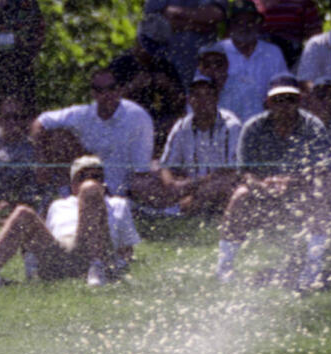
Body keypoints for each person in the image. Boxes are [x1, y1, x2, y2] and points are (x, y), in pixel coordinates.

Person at [214, 73, 329, 284]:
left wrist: (289, 182)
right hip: (261, 191)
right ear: (268, 102)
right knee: (239, 196)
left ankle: (313, 268)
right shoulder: (253, 127)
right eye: (278, 100)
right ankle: (224, 268)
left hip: (301, 191)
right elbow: (244, 173)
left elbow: (318, 171)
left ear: (300, 101)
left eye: (290, 99)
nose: (284, 105)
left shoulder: (313, 126)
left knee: (318, 197)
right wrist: (262, 185)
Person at [0, 155, 141, 290]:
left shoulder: (117, 204)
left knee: (89, 192)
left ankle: (96, 268)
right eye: (83, 177)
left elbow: (126, 250)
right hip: (62, 252)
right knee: (22, 213)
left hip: (99, 248)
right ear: (72, 184)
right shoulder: (58, 205)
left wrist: (117, 265)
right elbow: (42, 241)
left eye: (96, 176)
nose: (90, 180)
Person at [33, 67, 159, 203]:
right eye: (100, 90)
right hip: (85, 183)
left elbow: (141, 170)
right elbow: (40, 121)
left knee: (145, 182)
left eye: (112, 88)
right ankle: (66, 195)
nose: (106, 94)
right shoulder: (84, 113)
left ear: (120, 90)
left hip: (123, 190)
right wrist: (41, 161)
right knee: (59, 136)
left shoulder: (138, 117)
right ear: (93, 93)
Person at [156, 72, 243, 214]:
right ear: (189, 100)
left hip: (220, 185)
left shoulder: (231, 126)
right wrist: (172, 185)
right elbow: (166, 166)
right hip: (190, 186)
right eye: (196, 95)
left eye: (207, 95)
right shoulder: (181, 126)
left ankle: (181, 209)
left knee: (221, 184)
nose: (202, 101)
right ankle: (174, 208)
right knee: (152, 177)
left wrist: (194, 185)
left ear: (216, 98)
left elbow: (230, 171)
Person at [109, 15, 188, 149]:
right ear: (138, 41)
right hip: (127, 125)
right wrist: (132, 87)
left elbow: (183, 104)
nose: (149, 54)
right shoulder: (120, 66)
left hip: (160, 127)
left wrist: (169, 87)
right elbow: (106, 103)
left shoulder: (165, 67)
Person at [217, 1, 289, 123]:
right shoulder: (217, 53)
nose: (245, 27)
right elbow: (202, 91)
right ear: (231, 26)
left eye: (250, 22)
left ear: (258, 25)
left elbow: (283, 91)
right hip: (224, 124)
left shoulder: (273, 53)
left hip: (265, 124)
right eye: (239, 22)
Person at [0, 96, 40, 220]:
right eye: (8, 117)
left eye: (18, 117)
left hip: (17, 204)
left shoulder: (31, 149)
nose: (13, 122)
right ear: (0, 118)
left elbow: (32, 186)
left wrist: (10, 204)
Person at [143, 0, 227, 87]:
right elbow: (152, 23)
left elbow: (215, 15)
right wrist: (199, 24)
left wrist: (177, 12)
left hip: (201, 67)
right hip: (166, 67)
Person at [255, 0, 323, 70]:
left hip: (292, 61)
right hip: (256, 61)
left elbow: (316, 40)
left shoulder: (302, 3)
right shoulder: (251, 3)